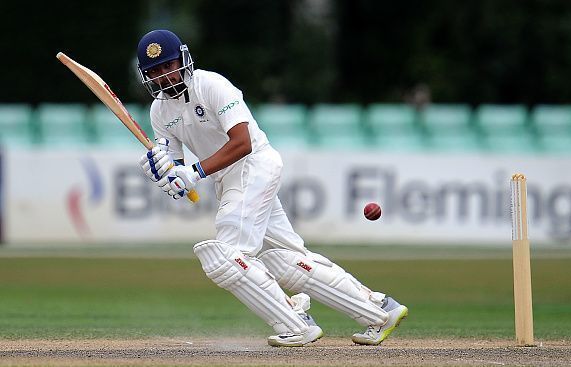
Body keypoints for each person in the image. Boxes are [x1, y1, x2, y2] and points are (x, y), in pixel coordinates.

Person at [136, 29, 408, 347]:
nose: (163, 75)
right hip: (228, 179)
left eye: (168, 65)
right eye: (155, 71)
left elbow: (243, 143)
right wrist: (165, 175)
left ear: (183, 60)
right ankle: (378, 308)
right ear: (147, 76)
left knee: (226, 256)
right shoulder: (159, 111)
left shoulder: (211, 85)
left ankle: (295, 323)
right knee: (287, 260)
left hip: (254, 166)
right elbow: (174, 165)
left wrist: (193, 173)